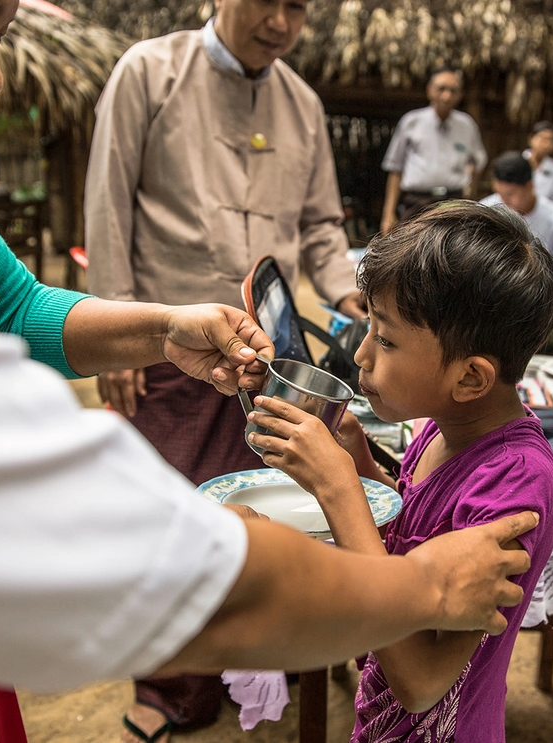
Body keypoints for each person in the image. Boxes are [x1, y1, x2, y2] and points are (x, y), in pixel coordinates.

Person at [0, 2, 541, 742]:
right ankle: (173, 695)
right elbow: (147, 561)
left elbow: (14, 302)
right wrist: (423, 583)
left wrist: (163, 327)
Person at [84, 2, 363, 736]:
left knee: (264, 512)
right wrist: (117, 331)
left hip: (270, 352)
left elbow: (321, 224)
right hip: (165, 344)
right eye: (267, 1)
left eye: (297, 6)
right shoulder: (148, 72)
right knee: (172, 515)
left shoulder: (302, 103)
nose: (281, 20)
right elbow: (107, 202)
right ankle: (171, 687)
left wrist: (345, 292)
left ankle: (253, 664)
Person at [247, 201, 553, 742]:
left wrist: (338, 487)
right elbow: (416, 532)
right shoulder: (447, 426)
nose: (361, 355)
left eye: (386, 339)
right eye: (369, 326)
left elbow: (420, 683)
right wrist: (359, 464)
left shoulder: (515, 483)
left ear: (471, 379)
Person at [380, 67, 487, 234]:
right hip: (417, 202)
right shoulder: (412, 122)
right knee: (413, 246)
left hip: (453, 202)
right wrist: (388, 214)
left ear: (460, 94)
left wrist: (468, 188)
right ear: (429, 89)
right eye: (441, 89)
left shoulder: (466, 125)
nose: (446, 96)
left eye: (453, 90)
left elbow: (479, 161)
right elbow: (395, 169)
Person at [480, 151, 553, 260]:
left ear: (529, 186)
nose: (503, 200)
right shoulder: (486, 211)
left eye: (509, 194)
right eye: (499, 193)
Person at [524, 120, 553, 205]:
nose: (546, 144)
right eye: (542, 138)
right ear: (531, 138)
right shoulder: (519, 163)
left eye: (551, 140)